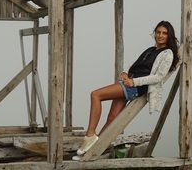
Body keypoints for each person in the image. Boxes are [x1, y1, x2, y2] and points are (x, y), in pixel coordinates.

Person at [76, 21, 180, 156]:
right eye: (158, 32)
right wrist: (125, 72)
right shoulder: (150, 50)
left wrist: (133, 82)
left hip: (135, 87)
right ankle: (95, 148)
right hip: (128, 82)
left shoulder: (168, 53)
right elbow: (136, 66)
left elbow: (158, 77)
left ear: (169, 36)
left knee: (95, 95)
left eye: (164, 33)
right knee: (112, 118)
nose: (160, 35)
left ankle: (90, 135)